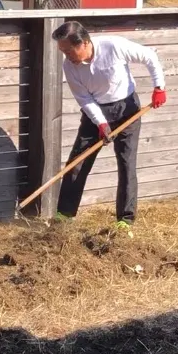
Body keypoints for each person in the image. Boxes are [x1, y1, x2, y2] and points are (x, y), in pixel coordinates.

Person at [52, 21, 167, 232]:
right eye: (62, 51)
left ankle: (125, 221)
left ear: (84, 43)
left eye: (68, 50)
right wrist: (101, 122)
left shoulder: (113, 46)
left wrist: (159, 87)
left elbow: (149, 56)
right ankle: (64, 217)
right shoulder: (69, 66)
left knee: (126, 164)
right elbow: (83, 98)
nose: (66, 55)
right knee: (78, 162)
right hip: (95, 112)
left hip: (127, 110)